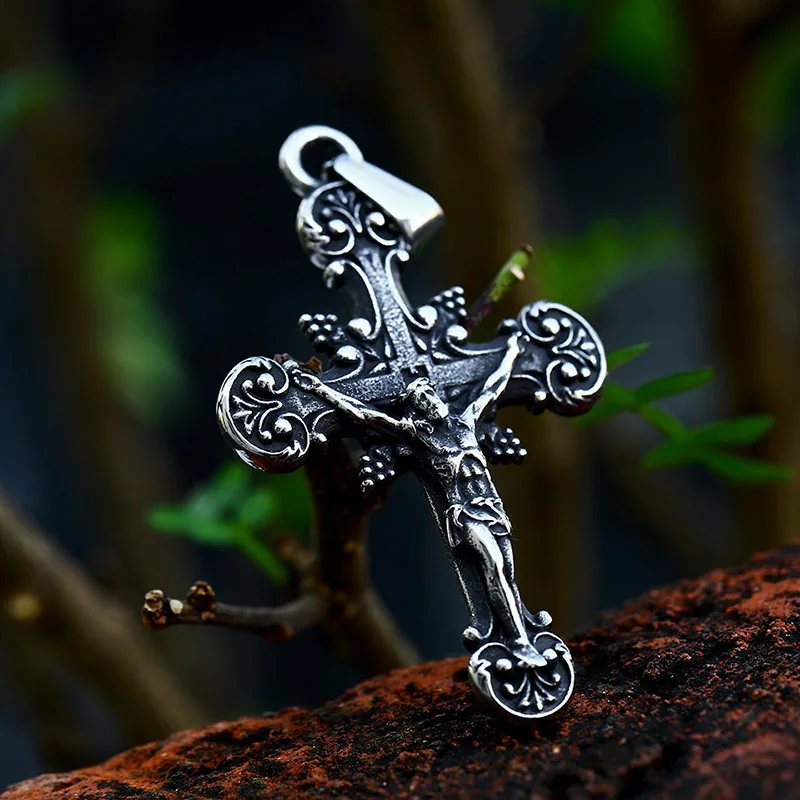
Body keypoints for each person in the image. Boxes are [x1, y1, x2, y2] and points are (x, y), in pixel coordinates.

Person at [292, 331, 548, 668]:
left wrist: (512, 352)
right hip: (466, 515)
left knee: (506, 578)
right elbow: (365, 414)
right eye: (422, 399)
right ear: (418, 408)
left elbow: (492, 387)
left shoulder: (465, 422)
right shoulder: (418, 436)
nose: (431, 400)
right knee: (495, 569)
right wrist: (318, 389)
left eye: (430, 394)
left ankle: (518, 632)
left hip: (493, 511)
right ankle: (518, 642)